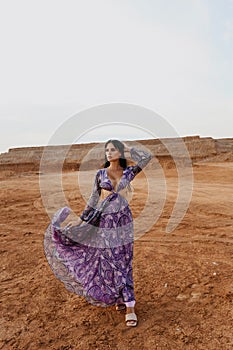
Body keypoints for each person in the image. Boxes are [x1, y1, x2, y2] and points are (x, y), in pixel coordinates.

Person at [44, 140, 152, 327]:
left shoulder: (129, 172)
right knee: (111, 259)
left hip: (124, 222)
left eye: (113, 150)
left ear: (119, 152)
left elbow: (146, 157)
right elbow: (94, 198)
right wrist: (81, 220)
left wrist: (126, 148)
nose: (109, 153)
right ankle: (121, 298)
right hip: (105, 221)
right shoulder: (100, 174)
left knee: (124, 260)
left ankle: (130, 306)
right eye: (107, 150)